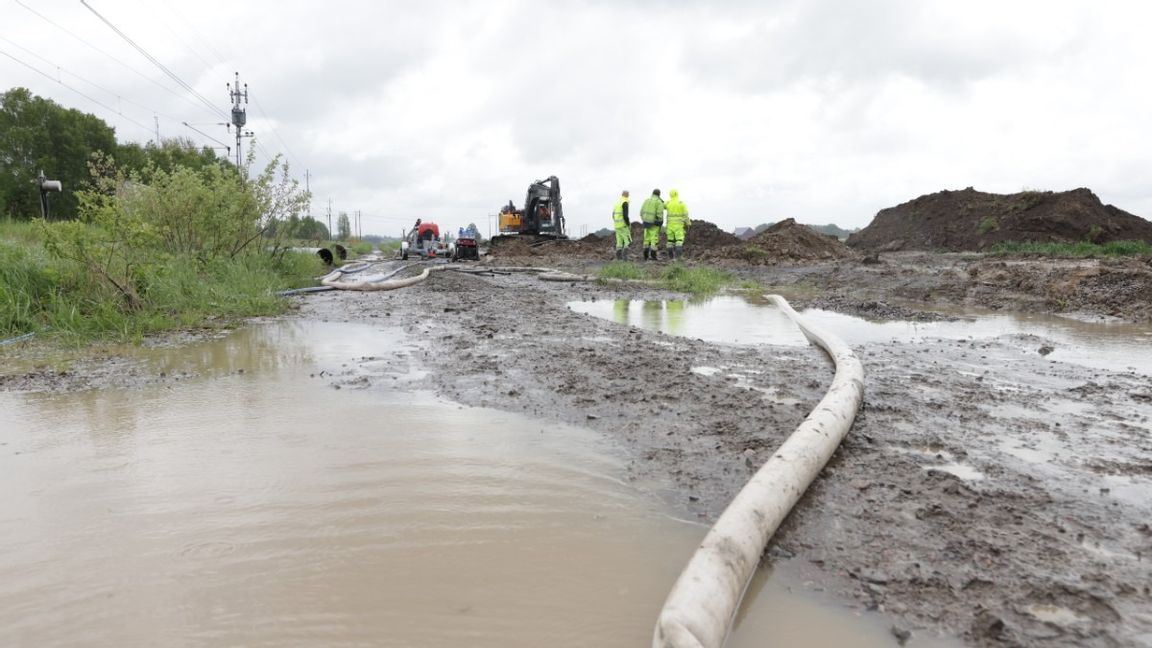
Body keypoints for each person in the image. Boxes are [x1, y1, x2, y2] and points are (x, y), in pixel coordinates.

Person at [639, 188, 665, 261]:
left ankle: (645, 256)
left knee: (646, 239)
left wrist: (644, 219)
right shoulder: (659, 202)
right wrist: (660, 222)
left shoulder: (646, 201)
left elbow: (641, 212)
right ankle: (653, 256)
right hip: (654, 224)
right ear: (659, 194)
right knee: (654, 239)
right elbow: (660, 214)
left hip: (646, 223)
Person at [665, 188, 691, 260]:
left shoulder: (668, 203)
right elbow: (686, 215)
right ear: (677, 194)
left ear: (670, 194)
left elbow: (663, 206)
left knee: (670, 241)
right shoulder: (681, 203)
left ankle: (671, 258)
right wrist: (688, 223)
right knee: (679, 241)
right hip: (679, 226)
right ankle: (678, 258)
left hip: (670, 226)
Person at [612, 190, 631, 260]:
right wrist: (628, 224)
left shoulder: (617, 203)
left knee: (619, 242)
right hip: (623, 225)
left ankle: (619, 258)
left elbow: (613, 215)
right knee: (627, 241)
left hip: (617, 225)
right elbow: (625, 215)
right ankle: (625, 258)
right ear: (627, 195)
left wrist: (616, 222)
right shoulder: (625, 202)